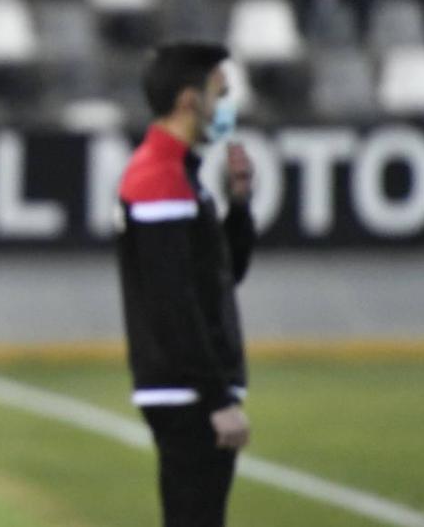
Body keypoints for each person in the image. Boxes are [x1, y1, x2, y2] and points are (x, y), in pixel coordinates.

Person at [115, 43, 255, 527]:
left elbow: (219, 278)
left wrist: (239, 205)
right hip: (188, 391)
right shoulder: (160, 176)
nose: (228, 104)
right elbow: (172, 301)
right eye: (221, 91)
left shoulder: (178, 172)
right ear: (189, 100)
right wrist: (217, 398)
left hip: (187, 387)